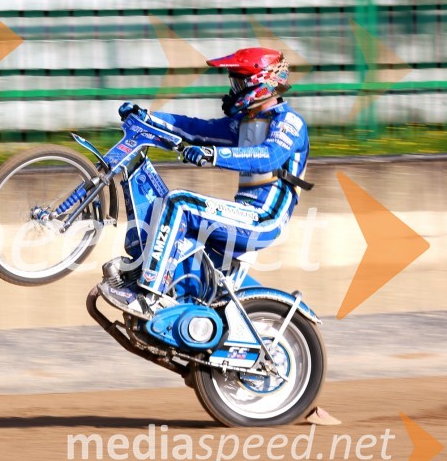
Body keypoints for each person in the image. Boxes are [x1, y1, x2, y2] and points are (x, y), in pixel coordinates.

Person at [101, 47, 313, 318]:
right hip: (244, 214)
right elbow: (197, 129)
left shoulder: (289, 122)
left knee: (179, 203)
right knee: (177, 232)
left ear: (261, 83)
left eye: (239, 84)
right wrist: (148, 118)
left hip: (264, 219)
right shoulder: (245, 123)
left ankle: (150, 296)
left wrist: (213, 155)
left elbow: (268, 156)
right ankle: (154, 282)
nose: (233, 90)